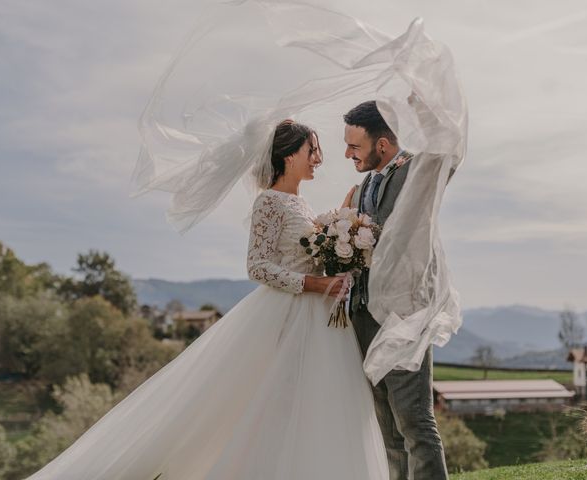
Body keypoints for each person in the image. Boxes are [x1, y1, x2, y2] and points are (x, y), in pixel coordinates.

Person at [25, 119, 390, 480]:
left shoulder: (303, 205)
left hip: (319, 319)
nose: (317, 158)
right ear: (288, 155)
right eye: (311, 150)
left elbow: (312, 253)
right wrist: (312, 284)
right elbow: (257, 267)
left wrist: (342, 229)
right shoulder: (270, 202)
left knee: (317, 405)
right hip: (286, 316)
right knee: (273, 402)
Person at [342, 100, 449, 480]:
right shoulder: (362, 187)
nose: (347, 154)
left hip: (403, 316)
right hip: (363, 316)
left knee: (415, 423)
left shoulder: (416, 172)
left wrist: (425, 100)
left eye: (355, 147)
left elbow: (447, 152)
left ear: (383, 145)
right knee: (386, 428)